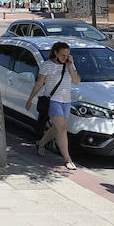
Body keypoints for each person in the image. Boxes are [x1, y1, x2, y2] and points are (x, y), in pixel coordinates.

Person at [25, 41, 82, 170]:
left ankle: (41, 143)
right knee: (62, 129)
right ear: (55, 53)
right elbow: (39, 84)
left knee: (57, 128)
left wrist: (71, 66)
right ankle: (68, 159)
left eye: (67, 55)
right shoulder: (47, 65)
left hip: (66, 101)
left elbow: (77, 81)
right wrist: (30, 99)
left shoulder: (70, 65)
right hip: (53, 101)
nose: (65, 57)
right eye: (62, 55)